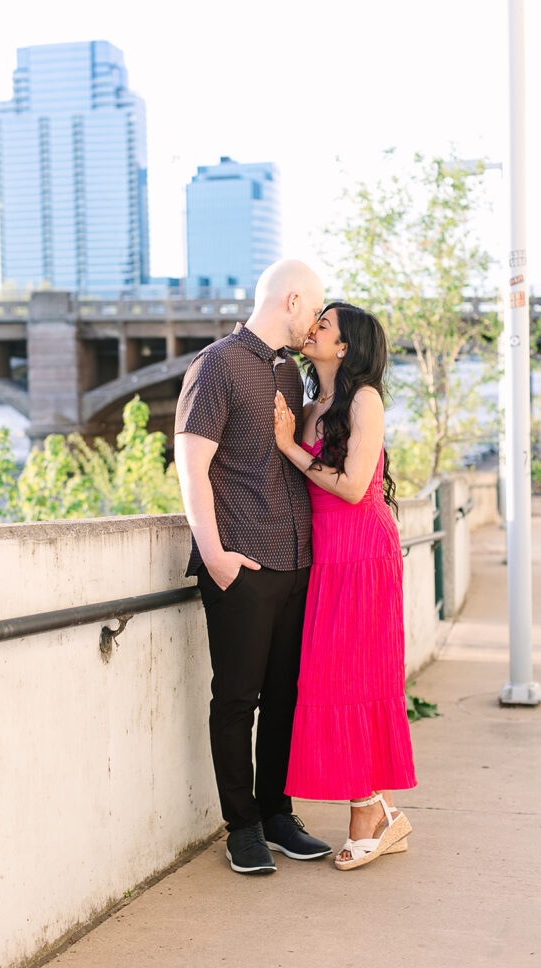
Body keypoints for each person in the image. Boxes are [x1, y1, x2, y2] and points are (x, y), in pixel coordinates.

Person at [174, 259, 332, 874]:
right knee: (236, 698)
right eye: (314, 310)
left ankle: (276, 814)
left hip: (295, 558)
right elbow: (191, 466)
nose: (315, 322)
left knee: (286, 696)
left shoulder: (289, 372)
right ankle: (241, 827)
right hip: (241, 560)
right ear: (292, 300)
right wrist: (215, 557)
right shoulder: (215, 364)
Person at [273, 301, 417, 870]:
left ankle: (367, 812)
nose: (313, 328)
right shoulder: (313, 405)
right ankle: (378, 808)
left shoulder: (364, 399)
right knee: (331, 678)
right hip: (327, 553)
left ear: (346, 347)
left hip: (362, 549)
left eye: (324, 324)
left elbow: (356, 487)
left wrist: (288, 447)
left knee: (357, 674)